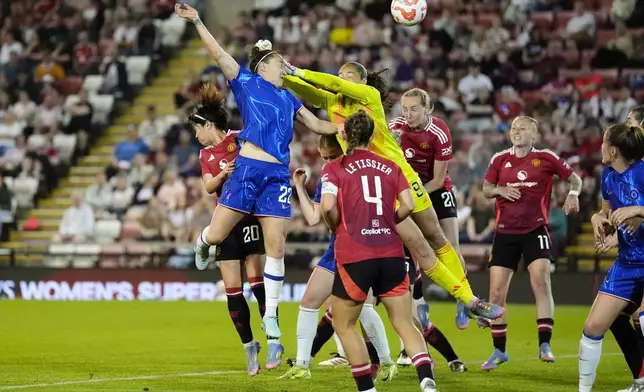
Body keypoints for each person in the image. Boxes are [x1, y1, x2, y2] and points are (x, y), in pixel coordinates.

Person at [284, 61, 504, 323]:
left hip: (400, 175)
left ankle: (467, 299)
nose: (341, 79)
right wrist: (280, 74)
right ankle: (465, 301)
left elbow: (330, 83)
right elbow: (307, 90)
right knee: (420, 247)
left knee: (436, 237)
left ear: (362, 82)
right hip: (376, 188)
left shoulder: (369, 97)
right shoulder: (334, 103)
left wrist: (296, 70)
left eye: (348, 76)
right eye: (340, 74)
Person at [175, 4, 338, 345]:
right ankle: (203, 242)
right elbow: (218, 53)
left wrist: (350, 126)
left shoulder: (289, 97)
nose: (286, 68)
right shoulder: (247, 83)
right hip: (248, 168)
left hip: (277, 173)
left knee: (276, 245)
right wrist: (198, 21)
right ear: (264, 67)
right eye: (281, 64)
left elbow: (318, 124)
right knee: (217, 235)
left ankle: (272, 314)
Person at [320, 110, 437, 392]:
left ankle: (367, 389)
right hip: (392, 253)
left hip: (354, 254)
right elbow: (408, 204)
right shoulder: (391, 166)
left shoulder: (334, 167)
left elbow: (326, 206)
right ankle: (426, 379)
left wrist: (335, 224)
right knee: (404, 321)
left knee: (344, 324)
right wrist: (388, 221)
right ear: (373, 137)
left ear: (344, 135)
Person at [279, 135, 397, 382]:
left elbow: (321, 216)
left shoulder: (345, 173)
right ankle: (302, 364)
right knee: (310, 301)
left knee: (363, 310)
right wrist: (299, 186)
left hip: (359, 248)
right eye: (324, 157)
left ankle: (386, 362)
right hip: (339, 249)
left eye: (331, 156)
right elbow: (313, 217)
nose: (328, 161)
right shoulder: (334, 173)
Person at [480, 116, 583, 370]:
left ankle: (544, 343)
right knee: (496, 293)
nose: (516, 131)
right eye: (513, 128)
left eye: (522, 128)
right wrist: (500, 191)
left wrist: (572, 194)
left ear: (534, 134)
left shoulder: (546, 157)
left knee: (541, 280)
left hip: (535, 229)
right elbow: (485, 188)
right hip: (505, 232)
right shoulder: (499, 159)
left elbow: (575, 179)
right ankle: (499, 350)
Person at [191, 83, 270, 373]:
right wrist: (223, 173)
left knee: (257, 280)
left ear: (208, 124)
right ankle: (250, 347)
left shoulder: (239, 139)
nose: (196, 136)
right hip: (225, 225)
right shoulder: (206, 157)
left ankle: (272, 334)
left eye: (197, 130)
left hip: (248, 219)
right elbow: (208, 186)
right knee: (233, 291)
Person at [389, 87, 469, 366]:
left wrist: (413, 194)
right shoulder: (396, 127)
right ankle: (420, 302)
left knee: (448, 244)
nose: (408, 115)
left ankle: (463, 297)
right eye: (405, 108)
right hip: (408, 192)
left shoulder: (440, 132)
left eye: (414, 109)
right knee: (412, 249)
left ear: (428, 109)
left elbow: (437, 179)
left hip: (434, 189)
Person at [580, 123, 644, 392]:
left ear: (614, 150)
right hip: (627, 261)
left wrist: (637, 209)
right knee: (593, 327)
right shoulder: (608, 177)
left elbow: (631, 211)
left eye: (604, 143)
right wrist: (598, 219)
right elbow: (606, 213)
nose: (600, 148)